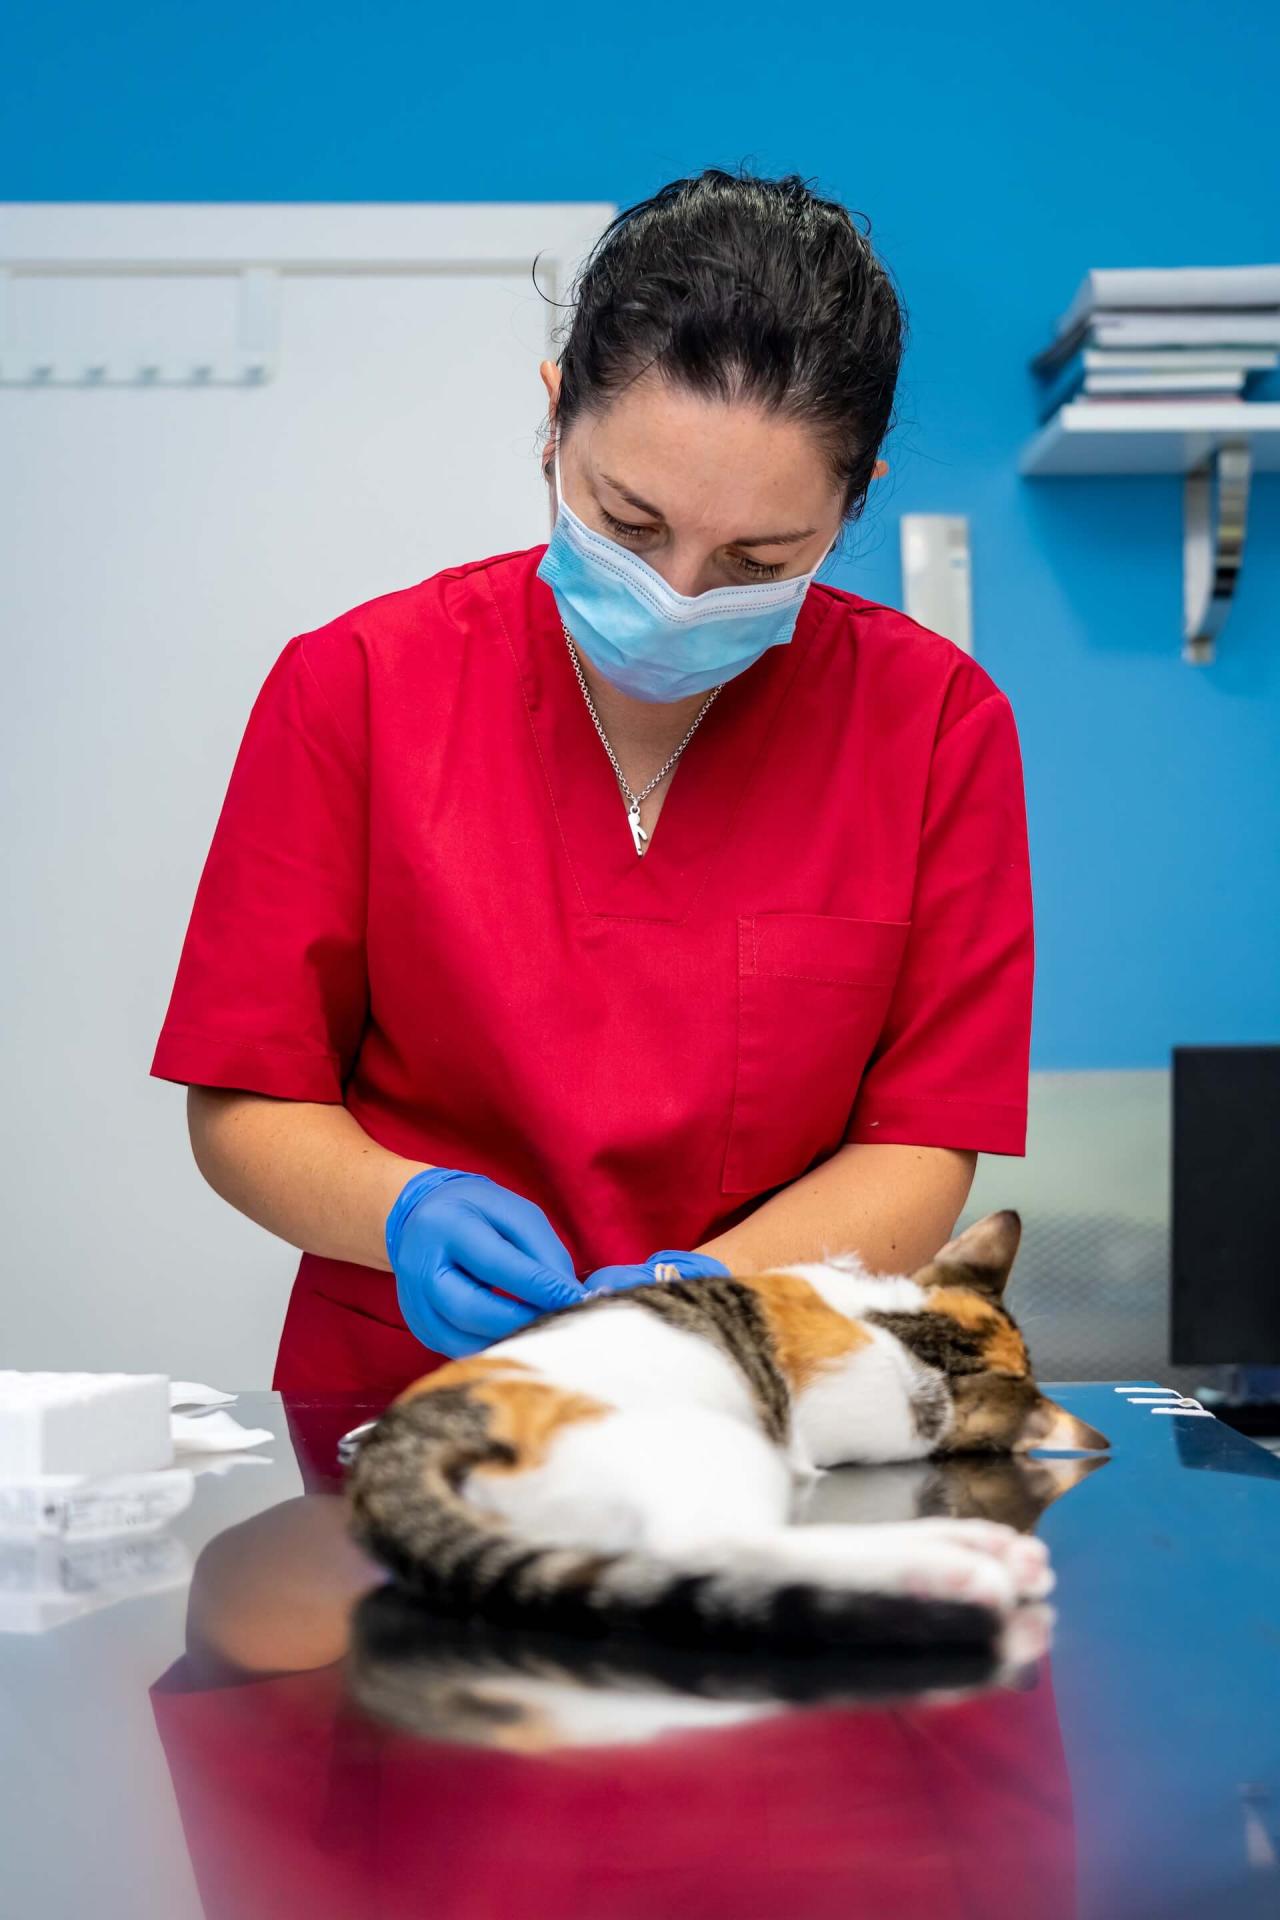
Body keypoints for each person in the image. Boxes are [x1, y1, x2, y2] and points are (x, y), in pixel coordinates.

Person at [150, 166, 1034, 1394]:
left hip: (758, 1400)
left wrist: (699, 1310)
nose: (677, 592)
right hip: (406, 1401)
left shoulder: (933, 726)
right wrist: (403, 1210)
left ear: (852, 505)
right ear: (556, 413)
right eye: (628, 522)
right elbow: (244, 1105)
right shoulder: (351, 686)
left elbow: (923, 1144)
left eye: (753, 556)